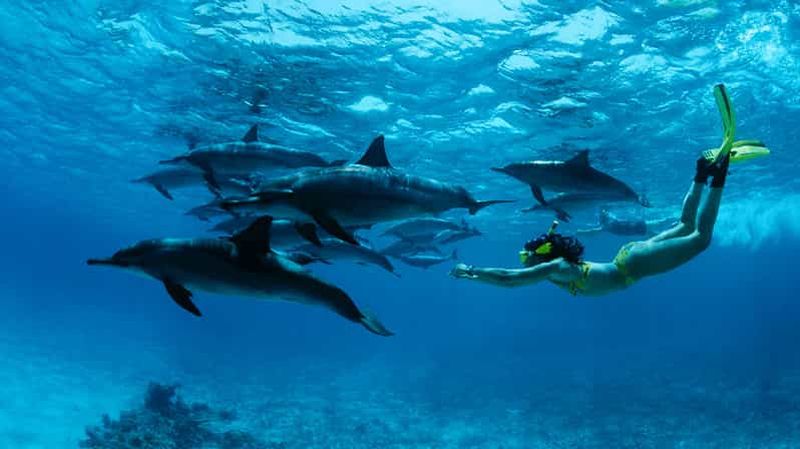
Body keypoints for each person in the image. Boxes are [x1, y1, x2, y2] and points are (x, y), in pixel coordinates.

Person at [450, 84, 766, 295]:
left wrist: (471, 271)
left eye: (526, 255)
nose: (523, 259)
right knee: (686, 226)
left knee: (700, 236)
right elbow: (513, 276)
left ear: (543, 257)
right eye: (525, 254)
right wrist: (473, 273)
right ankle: (701, 172)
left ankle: (717, 174)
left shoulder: (556, 267)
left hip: (632, 265)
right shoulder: (557, 267)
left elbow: (510, 279)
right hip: (627, 259)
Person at [575, 209, 675, 238]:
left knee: (659, 231)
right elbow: (594, 231)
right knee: (660, 224)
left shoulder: (607, 226)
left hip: (638, 229)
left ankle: (675, 220)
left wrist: (582, 232)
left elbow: (593, 232)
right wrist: (582, 232)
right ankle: (675, 220)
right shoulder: (607, 225)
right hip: (639, 227)